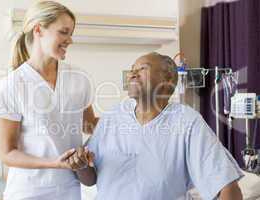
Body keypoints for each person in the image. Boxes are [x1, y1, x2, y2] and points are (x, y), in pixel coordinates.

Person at [68, 52, 244, 200]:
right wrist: (81, 165)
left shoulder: (186, 121)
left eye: (142, 68)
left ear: (167, 79)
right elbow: (90, 179)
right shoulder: (113, 117)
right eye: (131, 70)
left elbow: (227, 187)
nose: (132, 74)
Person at [0, 1, 97, 200]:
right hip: (28, 191)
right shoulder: (12, 85)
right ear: (39, 29)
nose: (70, 40)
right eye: (64, 32)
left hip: (70, 190)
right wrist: (55, 163)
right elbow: (7, 153)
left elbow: (89, 125)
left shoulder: (79, 78)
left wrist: (133, 116)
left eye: (71, 33)